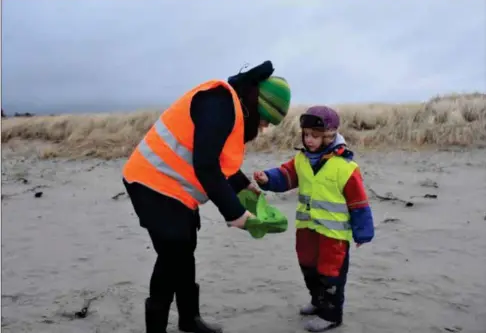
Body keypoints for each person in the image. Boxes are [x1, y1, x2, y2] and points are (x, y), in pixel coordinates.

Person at [121, 60, 291, 333]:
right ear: (256, 106)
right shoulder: (218, 102)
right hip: (150, 181)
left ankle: (189, 320)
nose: (263, 128)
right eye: (265, 120)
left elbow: (218, 160)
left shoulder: (230, 108)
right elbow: (206, 165)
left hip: (175, 189)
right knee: (172, 253)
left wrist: (244, 186)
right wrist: (236, 215)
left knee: (185, 248)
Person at [253, 105, 374, 332]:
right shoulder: (302, 159)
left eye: (315, 136)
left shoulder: (345, 167)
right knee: (308, 266)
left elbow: (359, 203)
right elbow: (286, 175)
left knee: (331, 273)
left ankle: (331, 314)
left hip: (333, 235)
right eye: (306, 134)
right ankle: (317, 302)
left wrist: (363, 231)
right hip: (307, 228)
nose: (309, 140)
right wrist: (267, 178)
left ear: (329, 136)